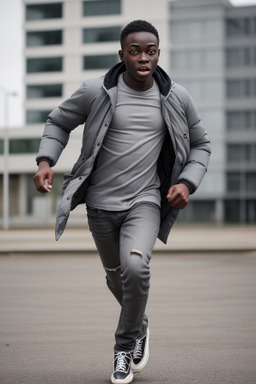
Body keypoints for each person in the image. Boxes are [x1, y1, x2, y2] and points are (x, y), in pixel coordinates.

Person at [33, 20, 211, 384]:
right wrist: (45, 161)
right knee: (116, 277)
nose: (144, 58)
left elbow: (201, 145)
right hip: (99, 205)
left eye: (151, 51)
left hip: (145, 201)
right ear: (122, 55)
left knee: (135, 269)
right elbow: (57, 122)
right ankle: (140, 324)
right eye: (135, 51)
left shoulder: (176, 97)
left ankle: (122, 350)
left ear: (158, 54)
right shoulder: (95, 92)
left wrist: (187, 183)